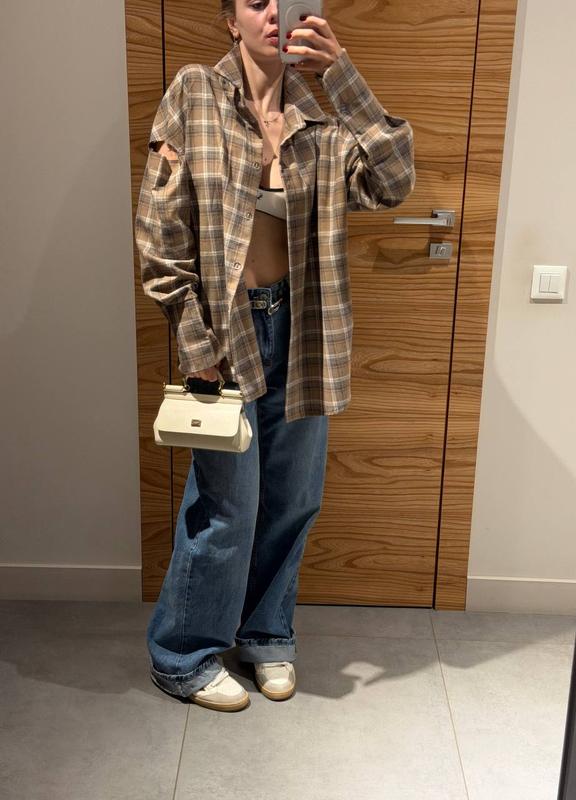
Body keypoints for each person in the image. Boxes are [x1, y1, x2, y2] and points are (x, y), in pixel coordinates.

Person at [134, 0, 416, 712]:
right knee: (227, 505)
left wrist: (340, 72)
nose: (272, 14)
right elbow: (160, 232)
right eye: (254, 2)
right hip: (226, 332)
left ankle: (266, 634)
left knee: (294, 499)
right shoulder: (195, 92)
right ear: (230, 19)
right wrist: (194, 340)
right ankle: (181, 654)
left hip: (306, 329)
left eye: (284, 1)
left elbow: (392, 183)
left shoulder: (323, 120)